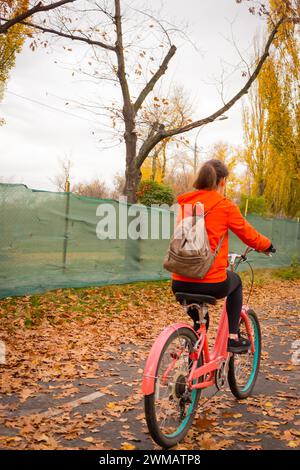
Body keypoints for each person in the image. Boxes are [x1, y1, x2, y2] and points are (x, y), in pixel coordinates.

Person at [171, 159, 274, 353]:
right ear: (223, 181)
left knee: (201, 321)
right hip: (211, 282)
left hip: (179, 281)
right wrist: (267, 245)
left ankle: (194, 351)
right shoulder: (224, 205)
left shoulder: (186, 204)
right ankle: (233, 337)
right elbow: (249, 235)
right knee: (236, 282)